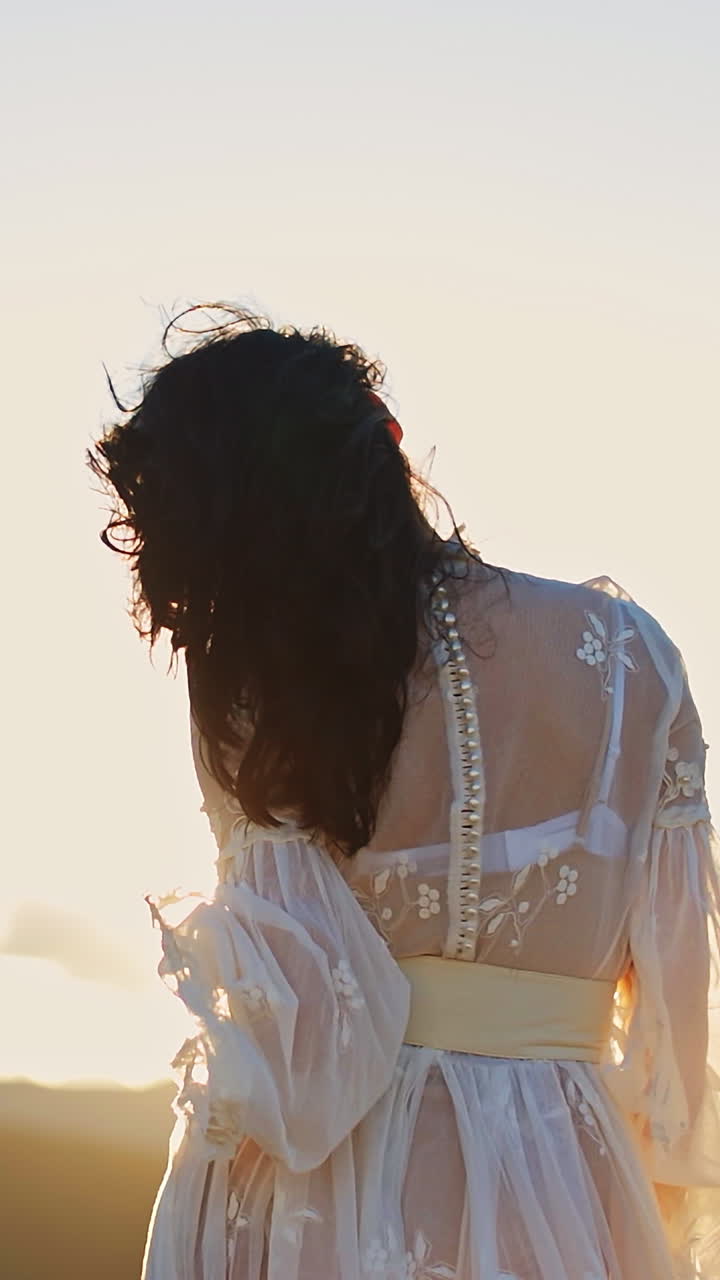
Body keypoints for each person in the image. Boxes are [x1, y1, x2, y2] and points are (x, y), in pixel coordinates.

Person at [87, 305, 720, 1280]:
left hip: (323, 1202)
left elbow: (303, 1059)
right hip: (564, 1175)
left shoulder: (258, 692)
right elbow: (675, 1014)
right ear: (382, 453)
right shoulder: (633, 660)